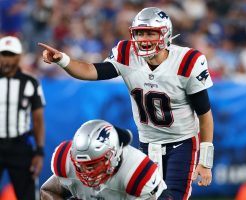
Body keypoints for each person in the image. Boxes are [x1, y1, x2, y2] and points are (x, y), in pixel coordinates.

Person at [39, 7, 214, 200]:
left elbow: (204, 115)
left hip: (182, 143)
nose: (144, 39)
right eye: (139, 33)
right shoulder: (127, 53)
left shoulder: (187, 61)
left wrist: (205, 161)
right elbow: (90, 71)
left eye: (150, 33)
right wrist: (63, 60)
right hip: (147, 142)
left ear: (166, 35)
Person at [40, 119, 168, 200]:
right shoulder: (67, 165)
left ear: (113, 155)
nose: (87, 172)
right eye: (81, 165)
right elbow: (47, 191)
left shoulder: (135, 172)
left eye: (94, 164)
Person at [0, 36, 46, 200]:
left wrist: (39, 151)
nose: (6, 59)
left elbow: (38, 119)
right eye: (3, 54)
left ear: (18, 57)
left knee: (27, 195)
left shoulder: (30, 82)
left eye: (10, 55)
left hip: (20, 145)